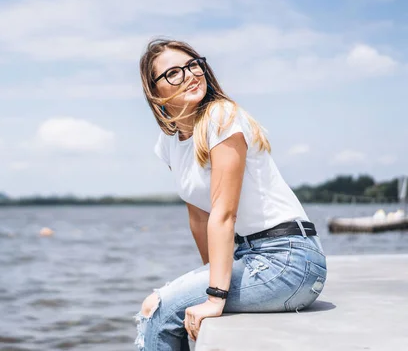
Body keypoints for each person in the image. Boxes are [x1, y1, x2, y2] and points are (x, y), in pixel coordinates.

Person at [134, 39, 327, 351]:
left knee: (155, 309)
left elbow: (224, 214)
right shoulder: (168, 142)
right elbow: (199, 216)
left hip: (289, 260)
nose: (189, 75)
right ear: (156, 93)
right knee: (164, 309)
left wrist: (215, 296)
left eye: (192, 65)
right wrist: (210, 278)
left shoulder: (221, 116)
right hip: (250, 256)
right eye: (173, 73)